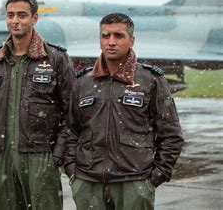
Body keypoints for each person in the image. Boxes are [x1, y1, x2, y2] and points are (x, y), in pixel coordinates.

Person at [64, 13, 184, 210]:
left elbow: (171, 134)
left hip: (133, 182)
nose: (111, 42)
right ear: (99, 40)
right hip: (88, 183)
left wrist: (154, 177)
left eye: (119, 36)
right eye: (106, 36)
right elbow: (71, 130)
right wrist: (73, 172)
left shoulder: (150, 80)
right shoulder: (83, 81)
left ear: (132, 40)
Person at [0, 0, 75, 209]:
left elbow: (71, 112)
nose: (15, 20)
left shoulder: (55, 59)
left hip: (40, 155)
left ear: (34, 18)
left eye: (22, 15)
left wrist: (57, 155)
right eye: (11, 15)